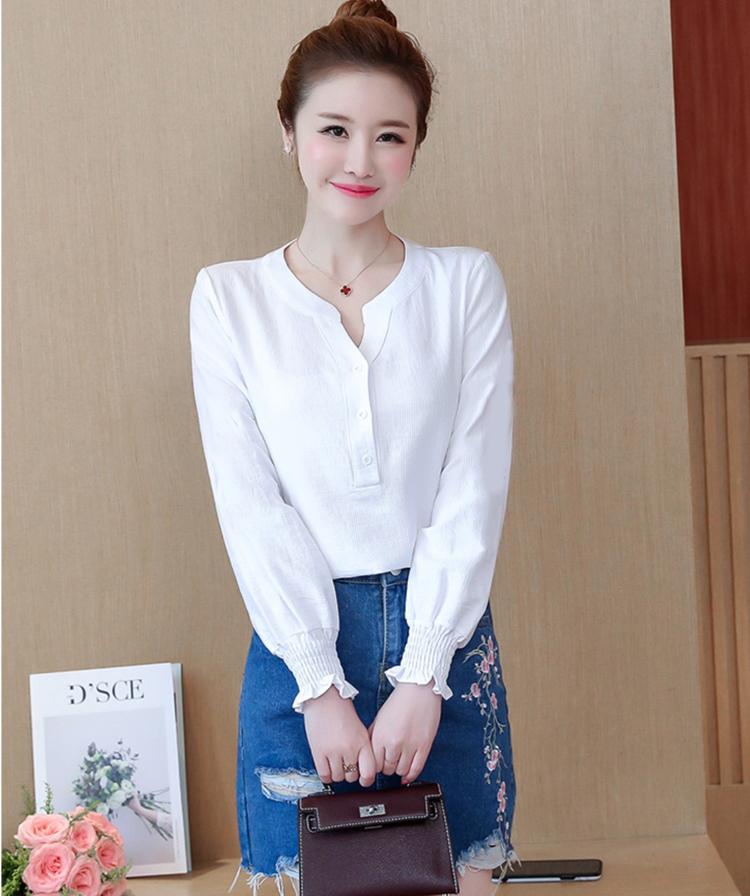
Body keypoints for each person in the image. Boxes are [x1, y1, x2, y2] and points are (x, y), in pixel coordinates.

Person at [188, 2, 521, 894]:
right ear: (288, 132)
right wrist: (320, 686)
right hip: (299, 655)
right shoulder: (227, 300)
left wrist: (424, 674)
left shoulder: (464, 286)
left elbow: (473, 486)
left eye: (390, 136)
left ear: (416, 147)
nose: (361, 161)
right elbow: (250, 503)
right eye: (335, 129)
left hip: (444, 642)